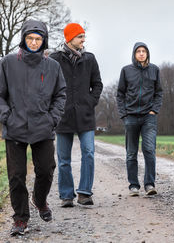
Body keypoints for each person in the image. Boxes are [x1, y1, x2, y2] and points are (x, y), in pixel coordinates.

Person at [0, 19, 66, 235]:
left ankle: (39, 199)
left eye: (38, 39)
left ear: (44, 41)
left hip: (42, 127)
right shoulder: (7, 63)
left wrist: (52, 118)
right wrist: (6, 117)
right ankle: (20, 219)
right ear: (23, 39)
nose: (34, 42)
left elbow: (60, 95)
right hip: (15, 127)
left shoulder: (53, 66)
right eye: (30, 38)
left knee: (46, 170)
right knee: (16, 176)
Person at [50, 23, 103, 207]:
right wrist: (55, 108)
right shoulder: (55, 59)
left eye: (83, 36)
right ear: (70, 38)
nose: (83, 40)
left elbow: (97, 84)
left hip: (85, 115)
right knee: (63, 159)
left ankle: (84, 193)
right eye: (80, 36)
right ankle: (66, 195)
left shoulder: (89, 59)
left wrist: (90, 102)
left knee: (88, 153)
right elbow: (49, 86)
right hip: (62, 116)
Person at [116, 42, 163, 196]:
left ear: (147, 53)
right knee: (131, 153)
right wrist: (124, 113)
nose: (141, 53)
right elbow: (120, 94)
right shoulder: (126, 71)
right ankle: (133, 186)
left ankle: (149, 184)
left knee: (149, 150)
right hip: (130, 116)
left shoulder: (154, 70)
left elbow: (159, 93)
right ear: (134, 54)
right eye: (139, 51)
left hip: (148, 117)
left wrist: (154, 110)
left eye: (144, 51)